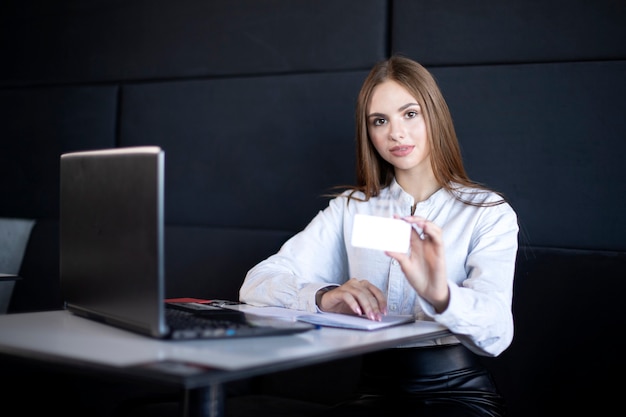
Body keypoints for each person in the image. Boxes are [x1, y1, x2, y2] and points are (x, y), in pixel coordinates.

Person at [235, 55, 519, 417]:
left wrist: (441, 296)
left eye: (410, 114)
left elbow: (496, 334)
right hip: (374, 392)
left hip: (457, 392)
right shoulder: (352, 208)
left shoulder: (487, 212)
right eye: (379, 121)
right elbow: (255, 285)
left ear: (435, 115)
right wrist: (324, 296)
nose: (395, 133)